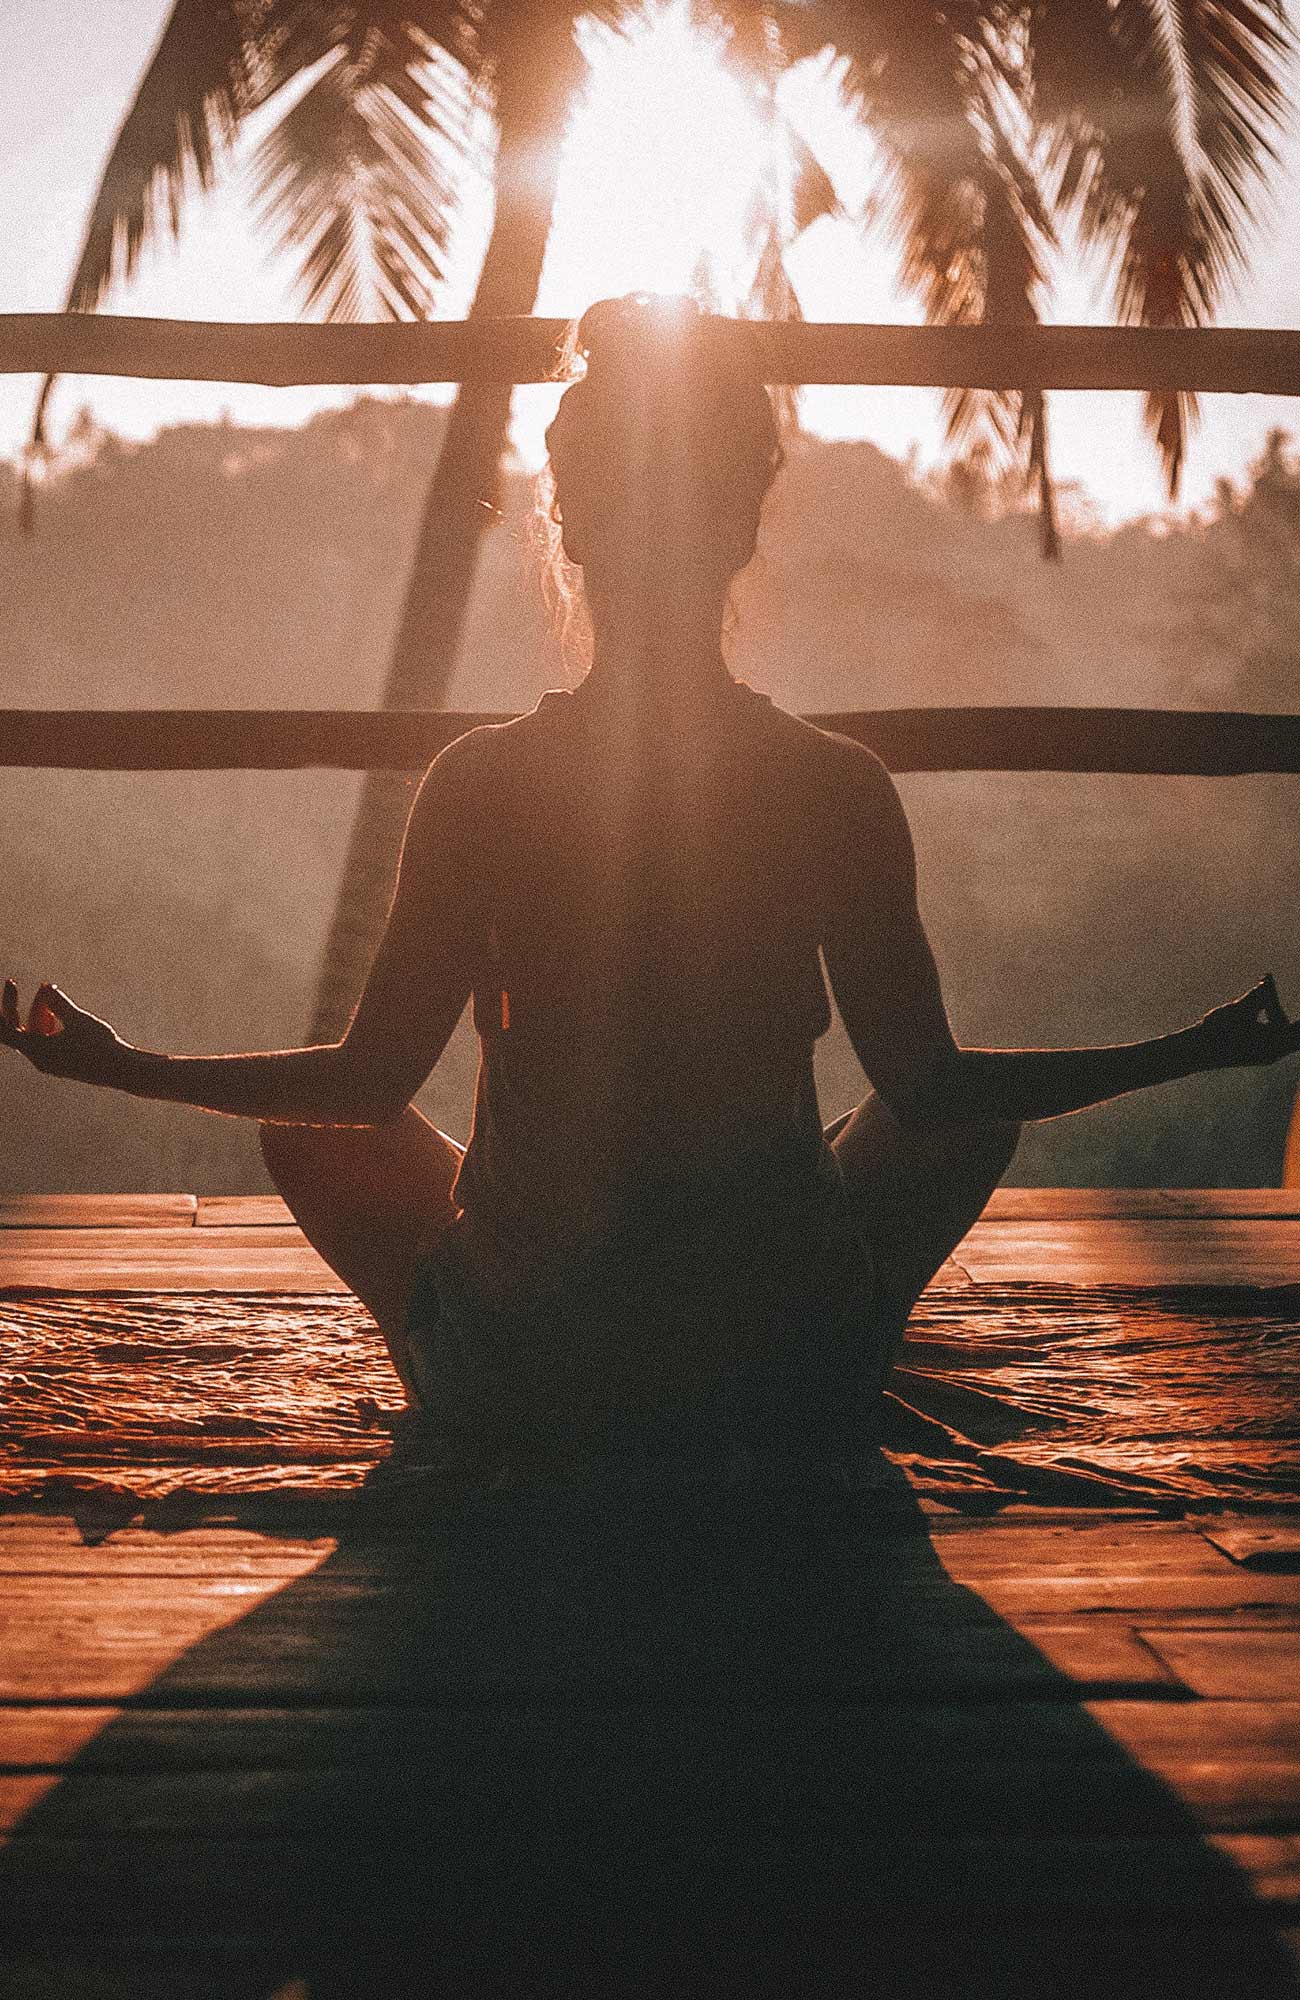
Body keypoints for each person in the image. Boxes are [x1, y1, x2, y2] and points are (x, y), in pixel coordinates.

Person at [5, 292, 1300, 1463]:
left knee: (314, 1134)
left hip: (531, 1380)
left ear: (569, 526)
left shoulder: (483, 783)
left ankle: (478, 1366)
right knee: (953, 1125)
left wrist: (122, 1066)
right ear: (744, 523)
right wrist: (1193, 1049)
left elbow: (364, 1084)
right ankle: (833, 1350)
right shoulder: (833, 784)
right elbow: (936, 1090)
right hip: (776, 1372)